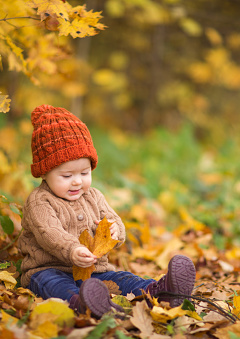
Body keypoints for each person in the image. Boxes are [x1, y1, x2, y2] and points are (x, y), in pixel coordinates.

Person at [18, 104, 196, 318]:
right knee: (52, 284)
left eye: (84, 172)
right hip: (50, 269)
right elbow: (49, 233)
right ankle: (82, 303)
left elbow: (113, 219)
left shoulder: (94, 196)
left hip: (95, 273)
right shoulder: (39, 200)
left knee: (122, 279)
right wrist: (73, 250)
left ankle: (161, 291)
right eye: (66, 176)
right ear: (44, 173)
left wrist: (115, 232)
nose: (77, 181)